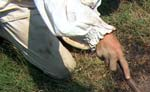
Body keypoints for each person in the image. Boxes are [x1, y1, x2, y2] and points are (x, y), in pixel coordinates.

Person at [0, 0, 130, 80]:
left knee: (77, 32)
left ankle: (61, 19)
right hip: (13, 5)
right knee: (63, 68)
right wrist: (100, 35)